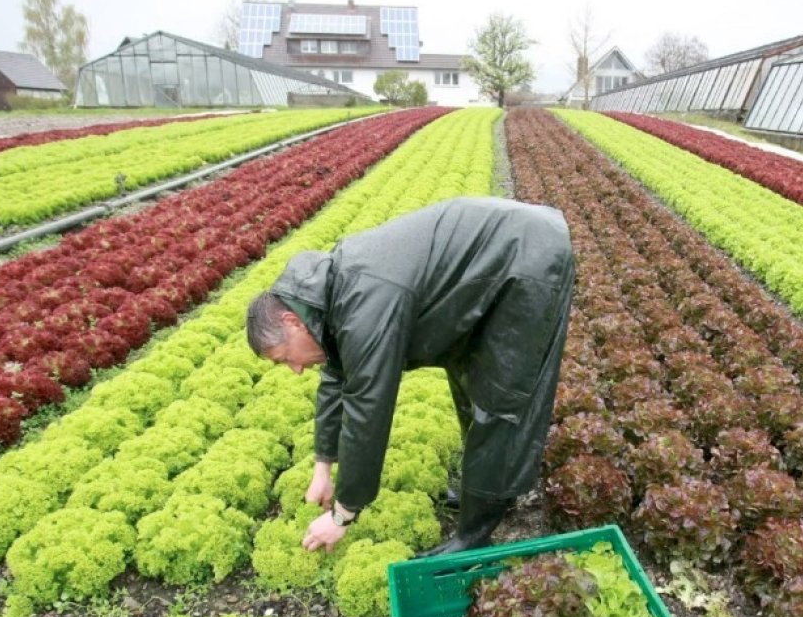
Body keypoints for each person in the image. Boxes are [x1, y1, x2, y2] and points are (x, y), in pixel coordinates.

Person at [246, 197, 575, 557]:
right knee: (471, 387)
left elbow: (368, 409)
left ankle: (474, 537)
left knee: (499, 400)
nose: (294, 369)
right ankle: (484, 493)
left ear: (291, 322)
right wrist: (324, 466)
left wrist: (342, 515)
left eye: (284, 359)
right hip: (491, 265)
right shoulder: (322, 299)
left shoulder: (364, 302)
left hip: (527, 260)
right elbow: (336, 380)